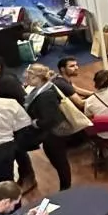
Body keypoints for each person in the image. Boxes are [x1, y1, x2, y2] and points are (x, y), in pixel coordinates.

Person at [15, 64, 72, 192]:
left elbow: (49, 119)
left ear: (37, 78)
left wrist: (35, 123)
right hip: (52, 132)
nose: (26, 81)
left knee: (59, 161)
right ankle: (65, 186)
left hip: (54, 134)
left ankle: (66, 188)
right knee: (58, 160)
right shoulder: (45, 88)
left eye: (28, 78)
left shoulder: (45, 95)